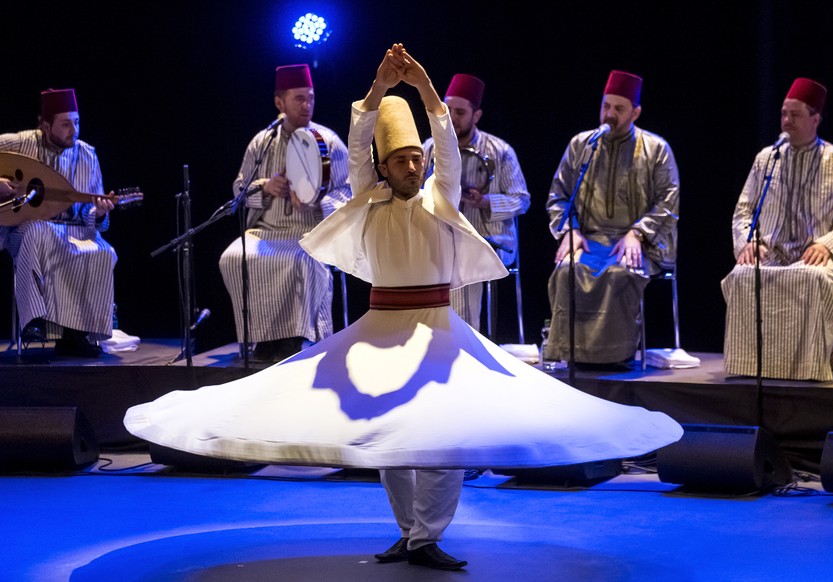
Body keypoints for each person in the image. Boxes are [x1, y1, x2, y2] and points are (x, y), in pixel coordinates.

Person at [123, 45, 682, 572]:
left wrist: (422, 87)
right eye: (404, 161)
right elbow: (360, 137)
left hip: (436, 329)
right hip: (380, 330)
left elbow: (443, 137)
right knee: (389, 436)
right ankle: (408, 530)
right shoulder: (368, 200)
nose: (414, 167)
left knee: (441, 438)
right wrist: (377, 90)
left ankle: (428, 535)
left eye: (419, 159)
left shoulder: (441, 197)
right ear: (384, 167)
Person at [721, 78, 833, 382]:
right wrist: (749, 241)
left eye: (795, 115)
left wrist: (827, 244)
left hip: (819, 254)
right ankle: (750, 367)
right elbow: (744, 210)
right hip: (772, 251)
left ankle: (809, 368)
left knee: (811, 278)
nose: (786, 121)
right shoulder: (767, 159)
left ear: (815, 120)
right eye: (784, 114)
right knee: (742, 275)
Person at [544, 70, 680, 368]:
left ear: (636, 112)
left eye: (619, 109)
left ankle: (615, 357)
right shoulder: (582, 145)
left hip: (639, 242)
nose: (609, 114)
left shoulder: (656, 149)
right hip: (590, 239)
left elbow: (668, 203)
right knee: (567, 271)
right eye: (606, 106)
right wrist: (570, 231)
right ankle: (571, 354)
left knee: (619, 274)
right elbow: (558, 195)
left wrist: (638, 234)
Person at [219, 64, 351, 363]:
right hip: (267, 229)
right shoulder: (262, 143)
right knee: (233, 257)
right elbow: (240, 189)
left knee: (301, 260)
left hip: (309, 231)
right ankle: (263, 339)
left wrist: (317, 198)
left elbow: (349, 192)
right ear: (280, 102)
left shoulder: (328, 142)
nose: (307, 105)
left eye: (310, 98)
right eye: (299, 99)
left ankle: (295, 340)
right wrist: (265, 187)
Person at [0, 88, 117, 357]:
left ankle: (77, 334)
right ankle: (34, 321)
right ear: (44, 125)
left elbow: (92, 214)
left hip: (73, 230)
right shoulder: (20, 143)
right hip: (22, 229)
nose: (73, 130)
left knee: (104, 252)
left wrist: (99, 213)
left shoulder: (87, 155)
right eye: (65, 124)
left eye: (76, 123)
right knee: (38, 230)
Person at [421, 73, 530, 332]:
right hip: (441, 239)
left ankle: (462, 342)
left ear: (476, 116)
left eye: (460, 113)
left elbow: (522, 201)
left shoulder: (499, 151)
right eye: (447, 111)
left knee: (461, 258)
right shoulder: (429, 148)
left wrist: (486, 202)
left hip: (490, 239)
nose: (451, 118)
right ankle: (428, 341)